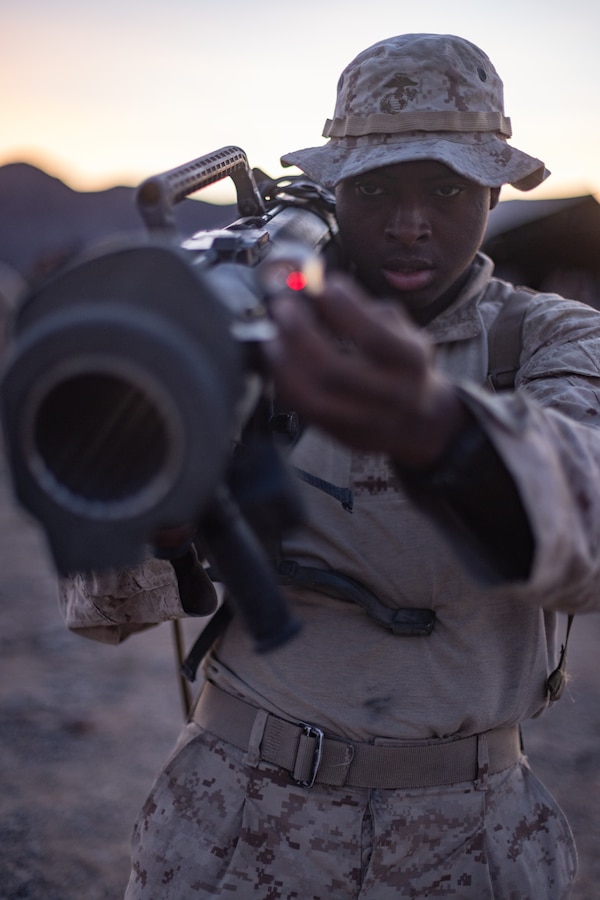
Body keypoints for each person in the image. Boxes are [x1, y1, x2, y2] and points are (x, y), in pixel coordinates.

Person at [58, 33, 600, 898]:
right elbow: (107, 610)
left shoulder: (548, 338)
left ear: (495, 191)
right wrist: (154, 515)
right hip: (232, 820)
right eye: (377, 188)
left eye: (447, 188)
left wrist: (437, 428)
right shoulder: (252, 324)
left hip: (473, 836)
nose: (410, 221)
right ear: (336, 193)